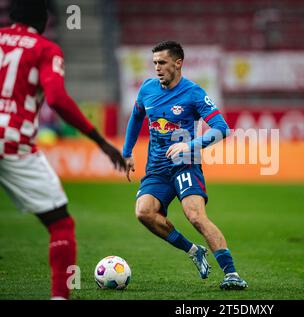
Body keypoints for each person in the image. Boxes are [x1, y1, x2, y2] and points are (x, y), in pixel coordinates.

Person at [0, 0, 126, 299]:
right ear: (43, 20)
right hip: (13, 140)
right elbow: (56, 98)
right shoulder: (45, 49)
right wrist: (100, 141)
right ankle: (59, 296)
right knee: (61, 224)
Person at [123, 41, 247, 290]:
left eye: (162, 63)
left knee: (195, 215)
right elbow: (136, 117)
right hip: (157, 169)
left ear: (178, 63)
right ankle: (193, 250)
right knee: (143, 212)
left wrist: (190, 146)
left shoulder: (194, 93)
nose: (157, 68)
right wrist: (127, 152)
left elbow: (222, 129)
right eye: (155, 63)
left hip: (185, 165)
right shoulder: (147, 89)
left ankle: (231, 274)